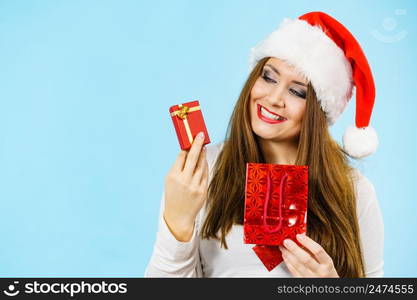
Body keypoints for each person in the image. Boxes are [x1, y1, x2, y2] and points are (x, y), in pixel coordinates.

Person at [145, 11, 384, 277]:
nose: (273, 98)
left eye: (297, 92)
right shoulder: (203, 171)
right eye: (268, 77)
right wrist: (178, 222)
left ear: (319, 111)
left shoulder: (354, 190)